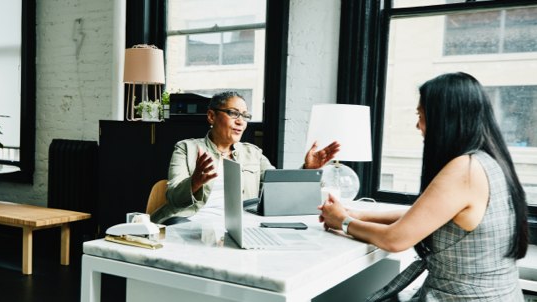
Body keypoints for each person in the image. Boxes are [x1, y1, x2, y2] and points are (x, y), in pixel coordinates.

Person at [319, 72, 528, 301]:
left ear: (444, 118)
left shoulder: (464, 170)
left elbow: (395, 240)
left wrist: (342, 221)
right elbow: (429, 216)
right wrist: (358, 214)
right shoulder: (490, 161)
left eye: (421, 114)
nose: (417, 125)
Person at [151, 91, 340, 225]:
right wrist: (195, 182)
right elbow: (174, 197)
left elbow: (278, 187)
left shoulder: (253, 153)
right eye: (233, 113)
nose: (241, 121)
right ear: (211, 116)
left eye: (245, 115)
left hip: (240, 227)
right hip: (189, 222)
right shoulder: (187, 148)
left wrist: (308, 169)